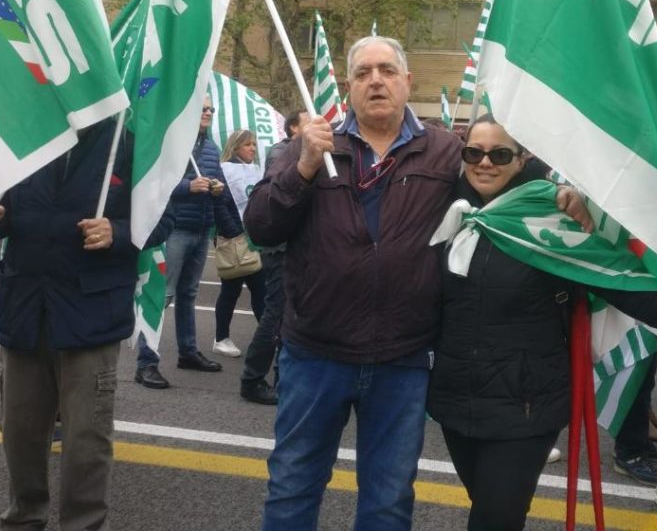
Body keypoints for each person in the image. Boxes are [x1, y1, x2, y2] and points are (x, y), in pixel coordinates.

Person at [244, 36, 589, 530]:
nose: (376, 80)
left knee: (387, 498)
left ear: (408, 82)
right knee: (294, 484)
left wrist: (561, 193)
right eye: (363, 73)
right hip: (316, 352)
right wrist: (301, 169)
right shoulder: (312, 146)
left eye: (387, 70)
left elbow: (506, 182)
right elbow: (260, 227)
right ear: (349, 87)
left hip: (402, 359)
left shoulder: (446, 151)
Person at [427, 116, 657, 531]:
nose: (485, 162)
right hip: (455, 400)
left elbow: (618, 279)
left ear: (522, 159)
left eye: (499, 153)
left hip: (526, 405)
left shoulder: (550, 215)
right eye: (473, 152)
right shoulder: (447, 210)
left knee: (496, 519)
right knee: (486, 505)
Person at [0, 118, 173, 531]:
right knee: (19, 434)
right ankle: (24, 518)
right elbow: (1, 209)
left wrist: (116, 231)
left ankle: (85, 525)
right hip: (24, 311)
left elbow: (161, 219)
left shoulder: (126, 143)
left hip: (90, 317)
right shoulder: (26, 136)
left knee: (86, 443)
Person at [135, 95, 242, 389]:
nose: (207, 113)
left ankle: (188, 351)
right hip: (175, 230)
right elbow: (152, 182)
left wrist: (221, 199)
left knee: (188, 295)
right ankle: (146, 362)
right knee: (162, 295)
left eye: (211, 109)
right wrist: (187, 186)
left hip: (201, 229)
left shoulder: (210, 149)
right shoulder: (172, 144)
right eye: (202, 108)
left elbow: (221, 193)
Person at [239, 109, 308, 405]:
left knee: (288, 314)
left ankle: (282, 378)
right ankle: (252, 379)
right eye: (308, 121)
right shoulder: (282, 153)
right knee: (275, 313)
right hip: (278, 249)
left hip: (294, 248)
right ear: (294, 128)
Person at [211, 129, 266, 358]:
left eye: (254, 144)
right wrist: (235, 231)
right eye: (247, 145)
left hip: (253, 238)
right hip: (235, 239)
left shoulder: (254, 170)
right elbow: (220, 205)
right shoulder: (225, 171)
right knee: (231, 290)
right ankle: (221, 338)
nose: (252, 148)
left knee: (259, 288)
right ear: (235, 148)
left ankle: (268, 333)